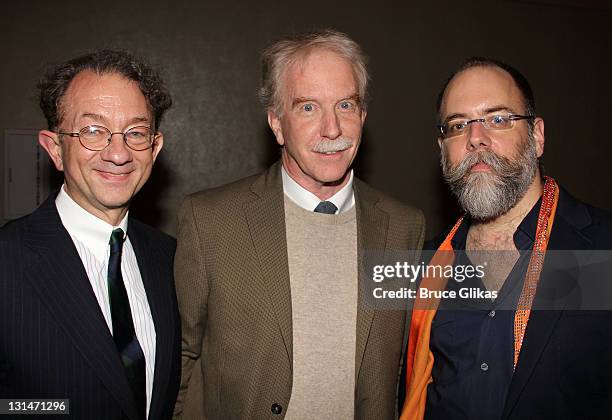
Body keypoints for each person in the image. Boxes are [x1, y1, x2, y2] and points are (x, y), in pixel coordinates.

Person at [174, 30, 425, 419]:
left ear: (363, 115)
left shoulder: (403, 228)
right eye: (308, 107)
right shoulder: (211, 222)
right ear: (276, 123)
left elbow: (411, 368)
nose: (332, 129)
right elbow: (181, 361)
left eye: (345, 105)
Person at [400, 57, 612, 420]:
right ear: (442, 149)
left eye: (498, 119)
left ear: (537, 135)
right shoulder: (423, 265)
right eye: (458, 125)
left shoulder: (602, 250)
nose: (475, 138)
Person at [0, 50, 181, 420]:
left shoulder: (169, 258)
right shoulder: (7, 261)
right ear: (55, 148)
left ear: (155, 147)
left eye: (136, 133)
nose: (118, 153)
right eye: (93, 131)